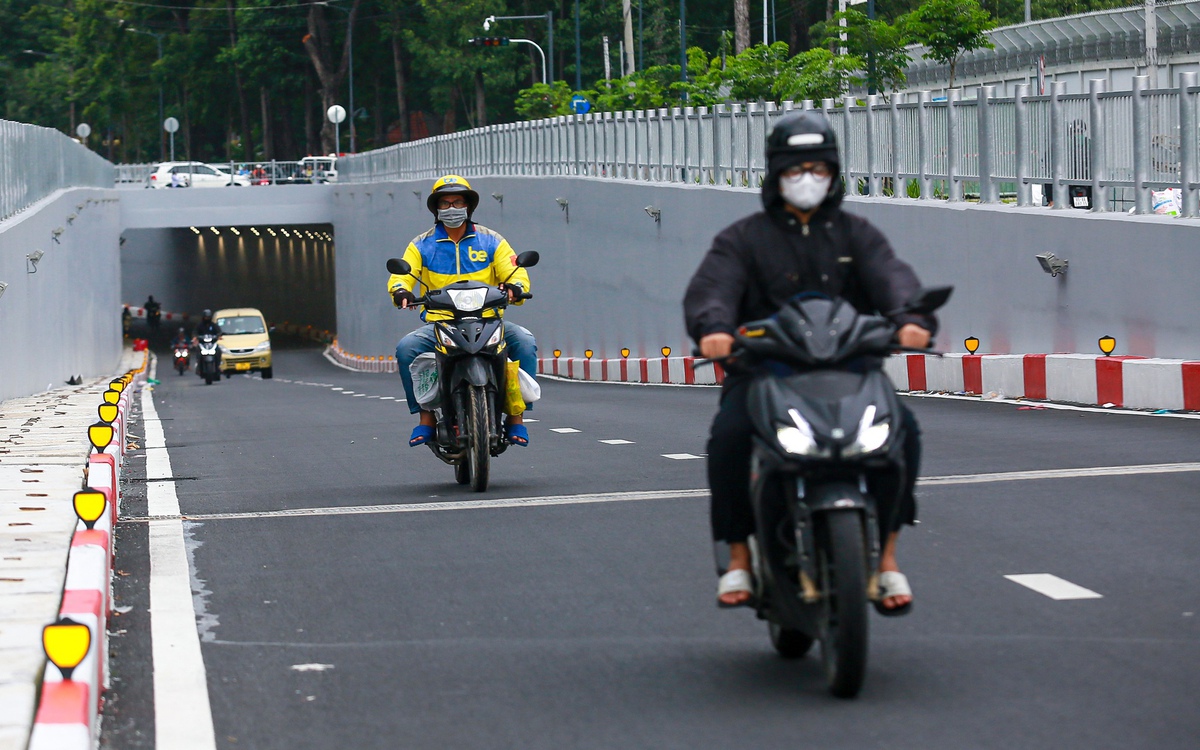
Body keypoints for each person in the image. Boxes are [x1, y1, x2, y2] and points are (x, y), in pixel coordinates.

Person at [683, 112, 937, 614]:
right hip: (764, 372)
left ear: (833, 173)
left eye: (818, 169)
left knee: (903, 431)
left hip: (851, 371)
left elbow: (892, 277)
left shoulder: (856, 234)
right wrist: (714, 328)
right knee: (729, 438)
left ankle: (887, 559)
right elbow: (714, 288)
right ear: (776, 174)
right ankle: (739, 556)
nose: (807, 179)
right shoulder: (742, 238)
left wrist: (911, 317)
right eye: (796, 170)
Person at [388, 175, 537, 448]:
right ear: (436, 209)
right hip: (441, 324)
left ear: (469, 206)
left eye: (458, 202)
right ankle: (425, 417)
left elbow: (514, 269)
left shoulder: (492, 240)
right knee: (406, 348)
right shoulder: (421, 244)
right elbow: (403, 276)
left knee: (525, 342)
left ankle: (517, 417)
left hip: (489, 321)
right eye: (445, 203)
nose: (452, 208)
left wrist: (515, 287)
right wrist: (400, 291)